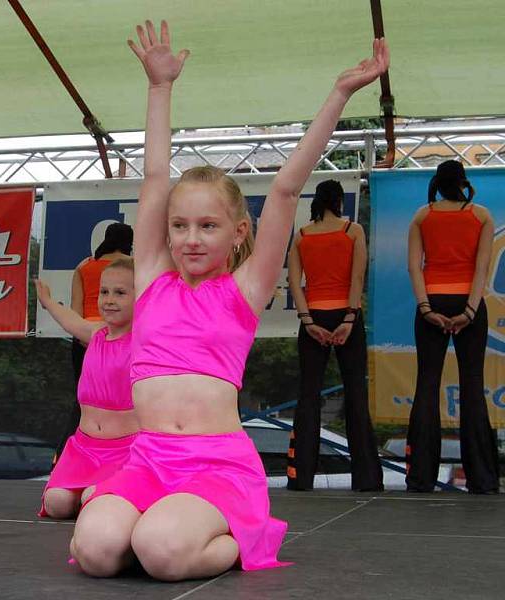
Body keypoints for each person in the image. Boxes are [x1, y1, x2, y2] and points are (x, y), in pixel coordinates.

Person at [69, 20, 389, 580]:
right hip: (147, 460)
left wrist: (338, 95)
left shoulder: (244, 289)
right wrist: (159, 88)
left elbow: (287, 187)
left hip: (214, 463)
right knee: (95, 551)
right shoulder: (150, 275)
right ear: (165, 231)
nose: (192, 239)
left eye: (208, 226)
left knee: (161, 551)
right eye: (181, 225)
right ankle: (161, 527)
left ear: (239, 231)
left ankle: (244, 533)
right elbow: (153, 175)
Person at [405, 160, 499, 494]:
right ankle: (483, 479)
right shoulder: (482, 215)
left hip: (431, 301)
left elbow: (415, 267)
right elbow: (482, 268)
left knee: (427, 385)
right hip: (468, 304)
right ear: (463, 182)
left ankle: (420, 478)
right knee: (472, 386)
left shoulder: (422, 216)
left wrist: (426, 307)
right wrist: (470, 310)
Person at [286, 180, 383, 491]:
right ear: (339, 200)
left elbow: (294, 283)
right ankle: (366, 478)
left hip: (313, 316)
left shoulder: (302, 236)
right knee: (356, 394)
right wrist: (350, 317)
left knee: (308, 397)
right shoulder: (352, 231)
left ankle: (301, 478)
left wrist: (308, 320)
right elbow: (357, 277)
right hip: (346, 315)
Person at [36, 258, 139, 518]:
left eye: (120, 292)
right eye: (104, 292)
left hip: (125, 451)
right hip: (84, 449)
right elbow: (69, 319)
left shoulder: (145, 342)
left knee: (93, 498)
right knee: (56, 503)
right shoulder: (95, 336)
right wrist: (47, 301)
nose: (109, 299)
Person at [55, 223, 133, 458]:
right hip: (119, 337)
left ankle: (63, 457)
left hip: (84, 339)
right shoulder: (130, 268)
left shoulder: (84, 266)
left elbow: (75, 308)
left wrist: (84, 334)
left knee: (82, 400)